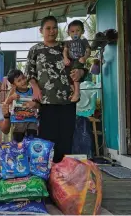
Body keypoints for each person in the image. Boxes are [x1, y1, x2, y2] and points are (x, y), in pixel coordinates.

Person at [25, 16, 87, 163]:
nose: (52, 31)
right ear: (41, 31)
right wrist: (35, 88)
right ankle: (47, 174)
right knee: (47, 139)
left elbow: (80, 66)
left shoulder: (67, 46)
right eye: (48, 28)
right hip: (46, 101)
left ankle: (64, 177)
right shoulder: (35, 50)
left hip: (68, 99)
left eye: (54, 28)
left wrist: (81, 72)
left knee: (66, 138)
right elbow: (29, 72)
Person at [6, 69, 40, 142]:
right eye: (19, 80)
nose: (23, 81)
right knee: (18, 143)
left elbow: (39, 105)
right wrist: (12, 97)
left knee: (32, 142)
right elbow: (6, 104)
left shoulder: (33, 90)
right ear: (13, 84)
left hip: (32, 121)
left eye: (23, 78)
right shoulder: (13, 92)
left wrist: (35, 104)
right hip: (18, 122)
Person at [63, 20, 91, 102]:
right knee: (67, 72)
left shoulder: (83, 41)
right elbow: (65, 51)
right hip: (70, 60)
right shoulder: (68, 42)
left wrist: (85, 58)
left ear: (82, 31)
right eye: (72, 31)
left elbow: (88, 51)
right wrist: (65, 58)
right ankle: (73, 91)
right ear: (68, 32)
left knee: (75, 72)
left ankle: (77, 92)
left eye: (78, 31)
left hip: (79, 60)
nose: (75, 33)